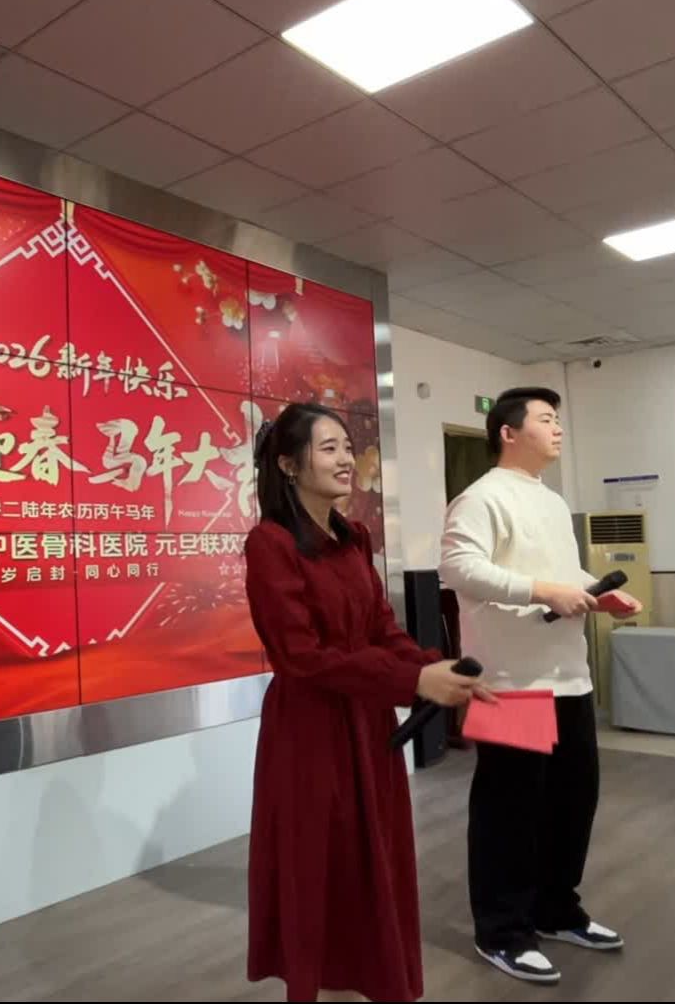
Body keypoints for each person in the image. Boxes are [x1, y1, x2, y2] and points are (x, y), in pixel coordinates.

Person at [244, 402, 489, 1003]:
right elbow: (302, 657)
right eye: (328, 448)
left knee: (374, 857)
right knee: (317, 864)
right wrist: (413, 681)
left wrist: (431, 666)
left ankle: (372, 977)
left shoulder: (352, 538)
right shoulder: (270, 544)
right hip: (310, 730)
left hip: (367, 720)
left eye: (348, 447)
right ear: (288, 465)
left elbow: (381, 627)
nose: (346, 459)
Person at [438, 387, 642, 984]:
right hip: (510, 683)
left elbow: (561, 573)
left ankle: (556, 909)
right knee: (509, 813)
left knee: (572, 805)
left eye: (558, 420)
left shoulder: (550, 501)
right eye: (546, 419)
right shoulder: (480, 497)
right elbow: (459, 568)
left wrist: (596, 593)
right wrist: (542, 590)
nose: (558, 429)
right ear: (508, 432)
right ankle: (501, 932)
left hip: (569, 679)